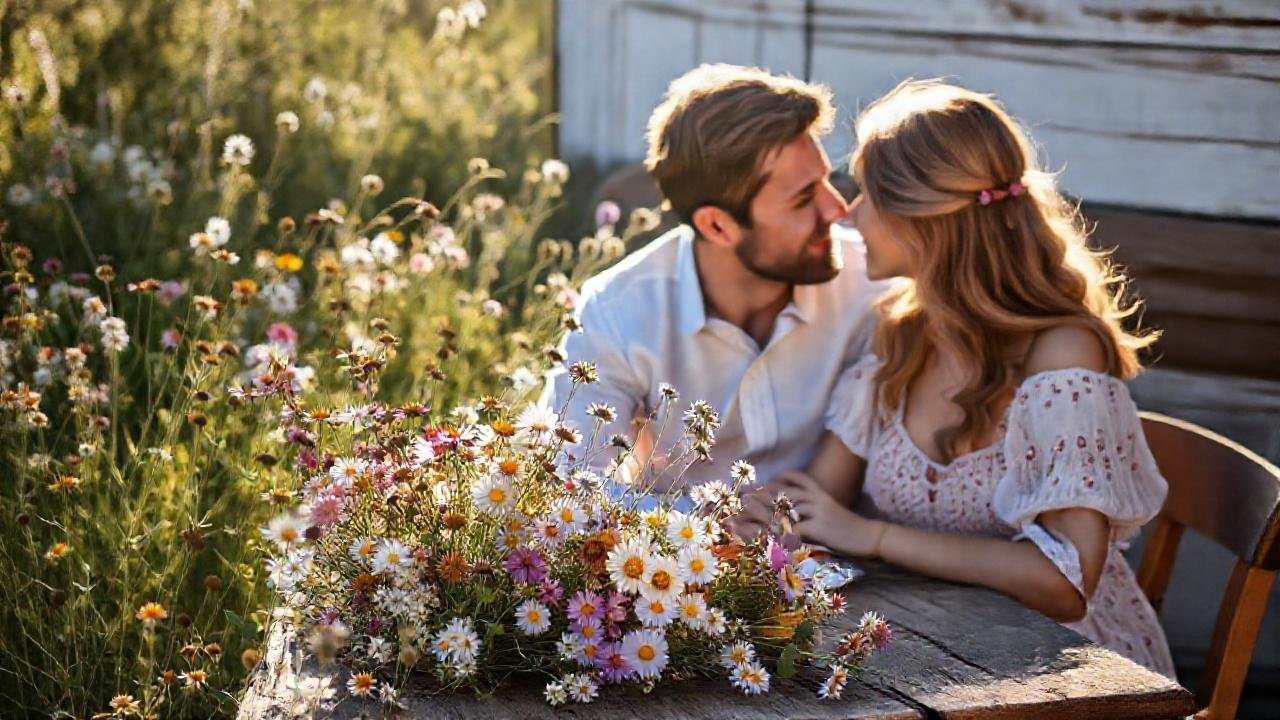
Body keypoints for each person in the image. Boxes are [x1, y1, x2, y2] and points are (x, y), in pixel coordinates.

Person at [743, 79, 1175, 676]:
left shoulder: (1061, 358)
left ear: (925, 222)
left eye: (869, 193)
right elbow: (821, 499)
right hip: (940, 652)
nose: (849, 211)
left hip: (1067, 673)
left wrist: (873, 538)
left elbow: (1065, 582)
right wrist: (749, 521)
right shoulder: (901, 334)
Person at [541, 64, 887, 500]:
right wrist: (700, 524)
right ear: (718, 227)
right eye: (803, 199)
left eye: (827, 181)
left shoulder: (872, 283)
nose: (837, 209)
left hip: (840, 554)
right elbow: (562, 485)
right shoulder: (616, 314)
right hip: (679, 561)